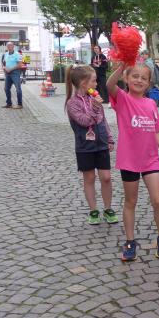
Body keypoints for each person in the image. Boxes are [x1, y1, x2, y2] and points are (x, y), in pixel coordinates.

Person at [106, 61, 159, 261]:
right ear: (126, 78)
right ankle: (130, 242)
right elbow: (109, 85)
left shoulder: (151, 104)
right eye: (135, 76)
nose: (139, 80)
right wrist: (121, 67)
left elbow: (157, 131)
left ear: (149, 83)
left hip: (150, 160)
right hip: (129, 160)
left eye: (144, 78)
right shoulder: (122, 98)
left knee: (158, 200)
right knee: (131, 201)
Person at [64, 64, 118, 225]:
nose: (96, 84)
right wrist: (94, 106)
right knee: (89, 178)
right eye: (93, 81)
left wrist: (109, 138)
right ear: (83, 83)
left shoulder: (94, 97)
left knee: (106, 178)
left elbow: (103, 120)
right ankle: (93, 210)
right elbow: (85, 121)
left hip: (101, 143)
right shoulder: (72, 103)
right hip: (85, 147)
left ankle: (108, 208)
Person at [2, 42, 24, 109]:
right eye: (7, 46)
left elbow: (19, 65)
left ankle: (20, 104)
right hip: (7, 73)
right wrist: (4, 68)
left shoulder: (18, 54)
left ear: (13, 46)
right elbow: (4, 63)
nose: (9, 47)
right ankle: (9, 104)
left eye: (10, 45)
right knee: (6, 89)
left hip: (15, 73)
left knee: (18, 89)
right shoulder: (5, 54)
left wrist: (11, 69)